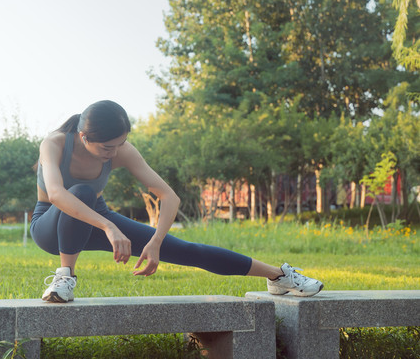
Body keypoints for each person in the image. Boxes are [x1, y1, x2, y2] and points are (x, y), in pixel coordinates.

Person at [30, 100, 323, 303]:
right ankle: (64, 277)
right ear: (83, 137)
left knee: (188, 250)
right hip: (50, 227)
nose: (115, 152)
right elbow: (57, 193)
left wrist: (156, 241)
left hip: (98, 217)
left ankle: (279, 276)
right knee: (81, 191)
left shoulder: (122, 150)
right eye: (108, 147)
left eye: (120, 144)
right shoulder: (54, 143)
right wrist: (109, 227)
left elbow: (169, 195)